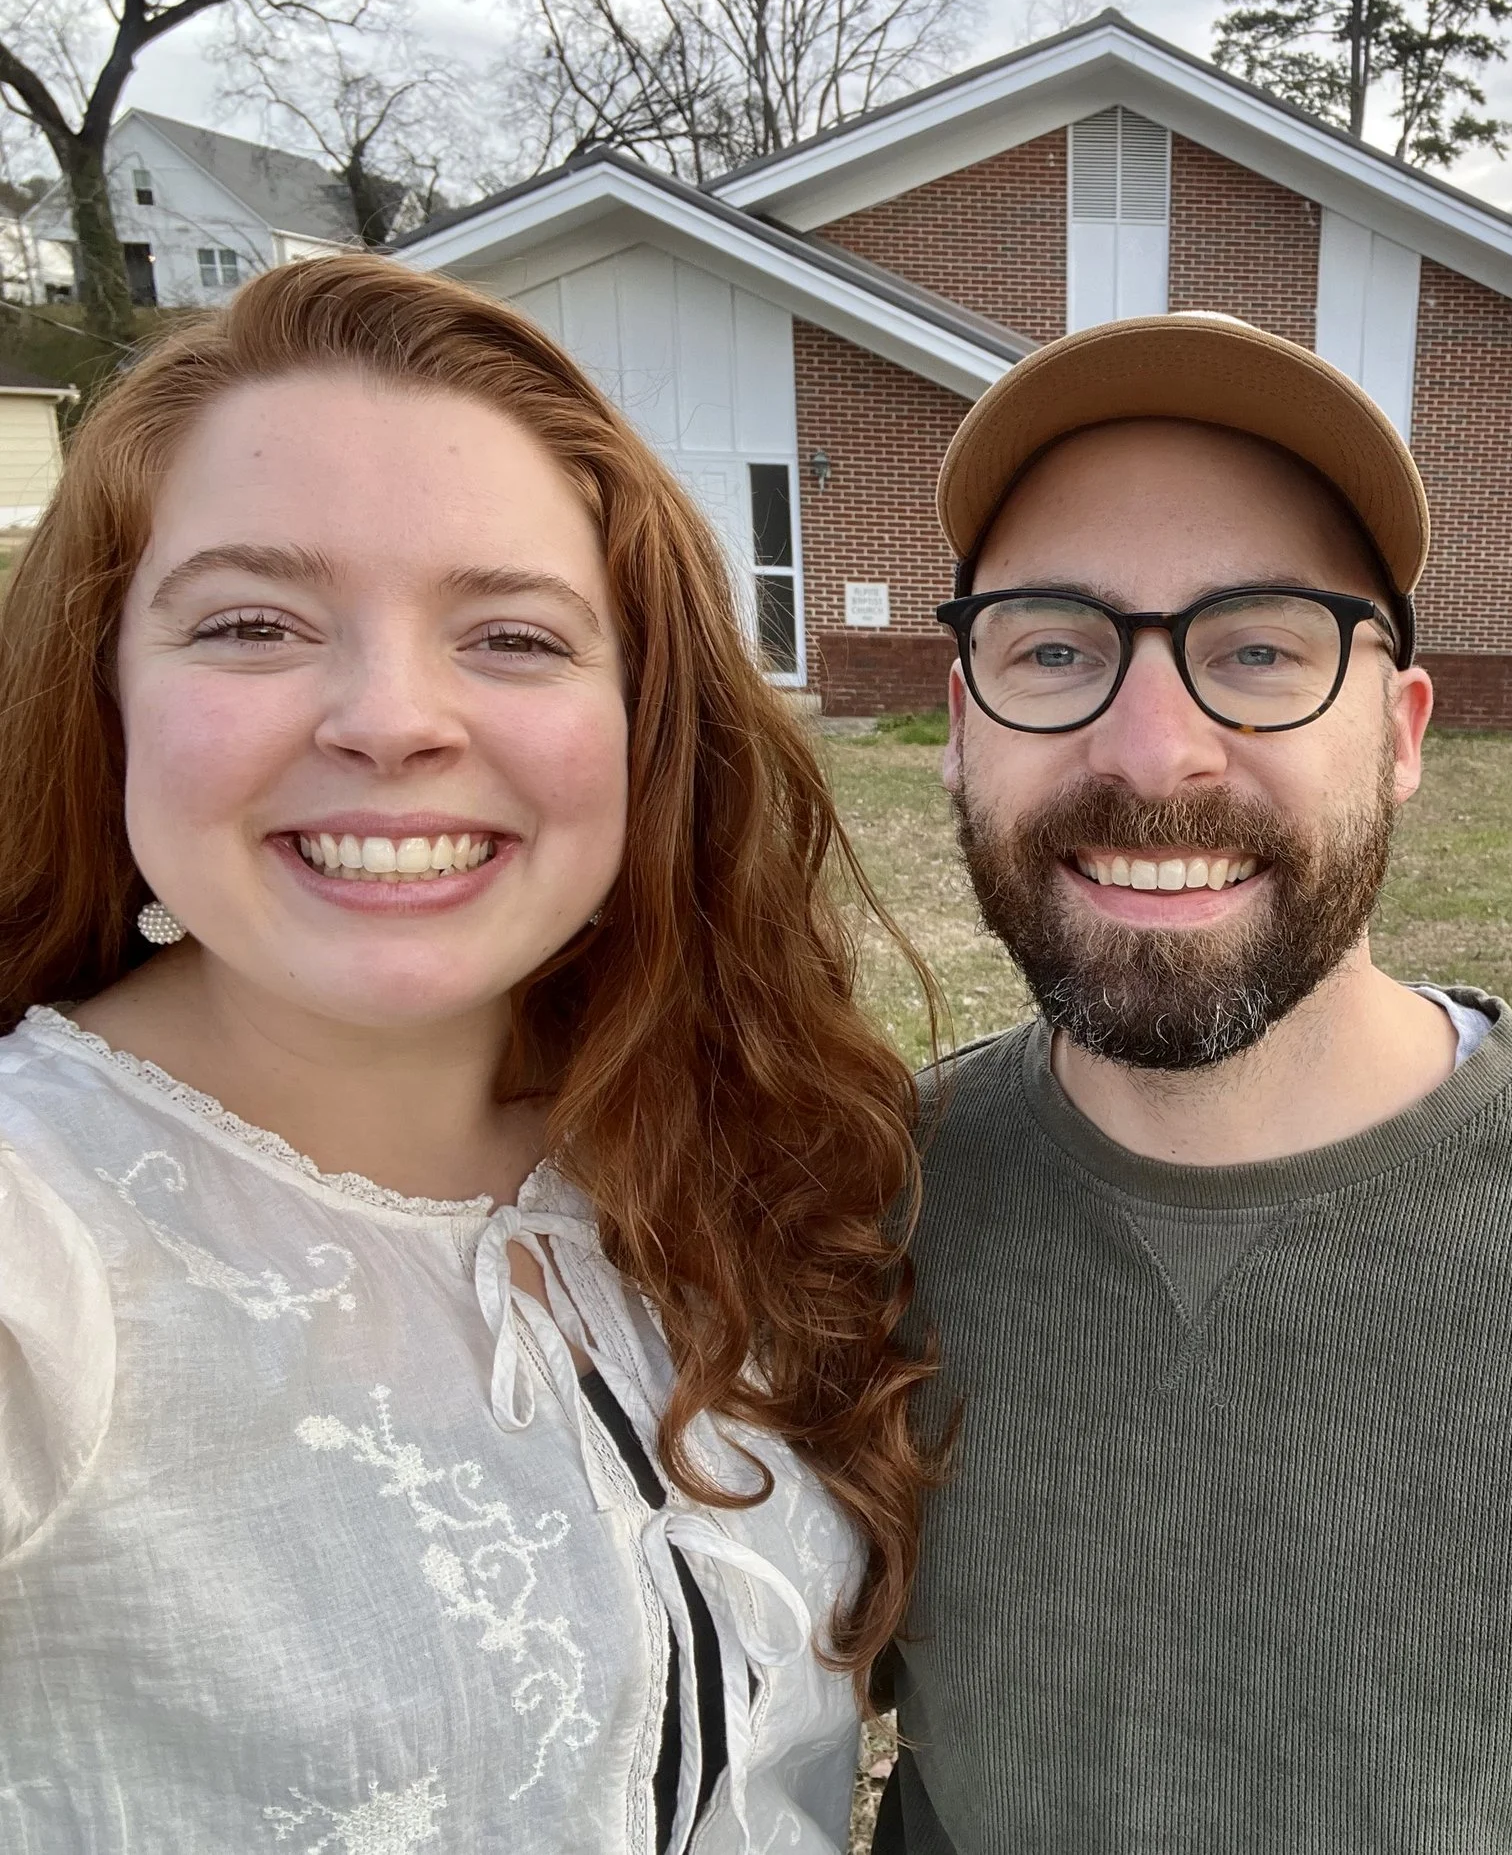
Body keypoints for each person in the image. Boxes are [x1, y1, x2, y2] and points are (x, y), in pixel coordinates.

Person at [874, 313, 1512, 1853]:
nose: (1155, 748)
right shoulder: (861, 1209)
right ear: (964, 730)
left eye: (1258, 648)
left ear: (1402, 733)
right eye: (1053, 646)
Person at [0, 255, 938, 1853]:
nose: (390, 715)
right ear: (105, 697)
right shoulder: (40, 1235)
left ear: (643, 726)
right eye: (251, 621)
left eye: (510, 636)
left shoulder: (723, 1151)